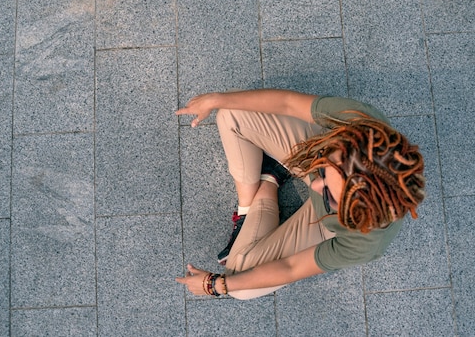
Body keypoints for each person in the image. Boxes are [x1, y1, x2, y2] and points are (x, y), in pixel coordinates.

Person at [175, 89, 425, 299]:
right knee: (231, 112)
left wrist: (217, 286)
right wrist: (216, 99)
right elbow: (288, 103)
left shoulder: (365, 242)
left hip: (323, 224)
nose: (314, 187)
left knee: (238, 281)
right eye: (327, 170)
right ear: (348, 142)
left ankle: (268, 182)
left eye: (329, 196)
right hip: (311, 148)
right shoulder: (362, 126)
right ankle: (252, 204)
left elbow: (291, 268)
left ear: (356, 215)